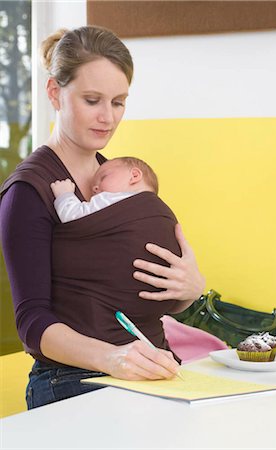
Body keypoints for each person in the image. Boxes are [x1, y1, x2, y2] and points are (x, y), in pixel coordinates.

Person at [0, 26, 205, 409]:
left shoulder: (117, 181)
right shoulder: (27, 192)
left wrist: (188, 291)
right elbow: (31, 324)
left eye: (119, 102)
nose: (107, 118)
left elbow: (134, 288)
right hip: (73, 376)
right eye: (93, 100)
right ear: (54, 93)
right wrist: (112, 358)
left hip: (151, 365)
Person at [50, 156, 158, 222]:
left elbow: (74, 217)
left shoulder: (111, 199)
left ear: (134, 175)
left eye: (103, 177)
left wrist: (64, 194)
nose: (95, 188)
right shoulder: (156, 210)